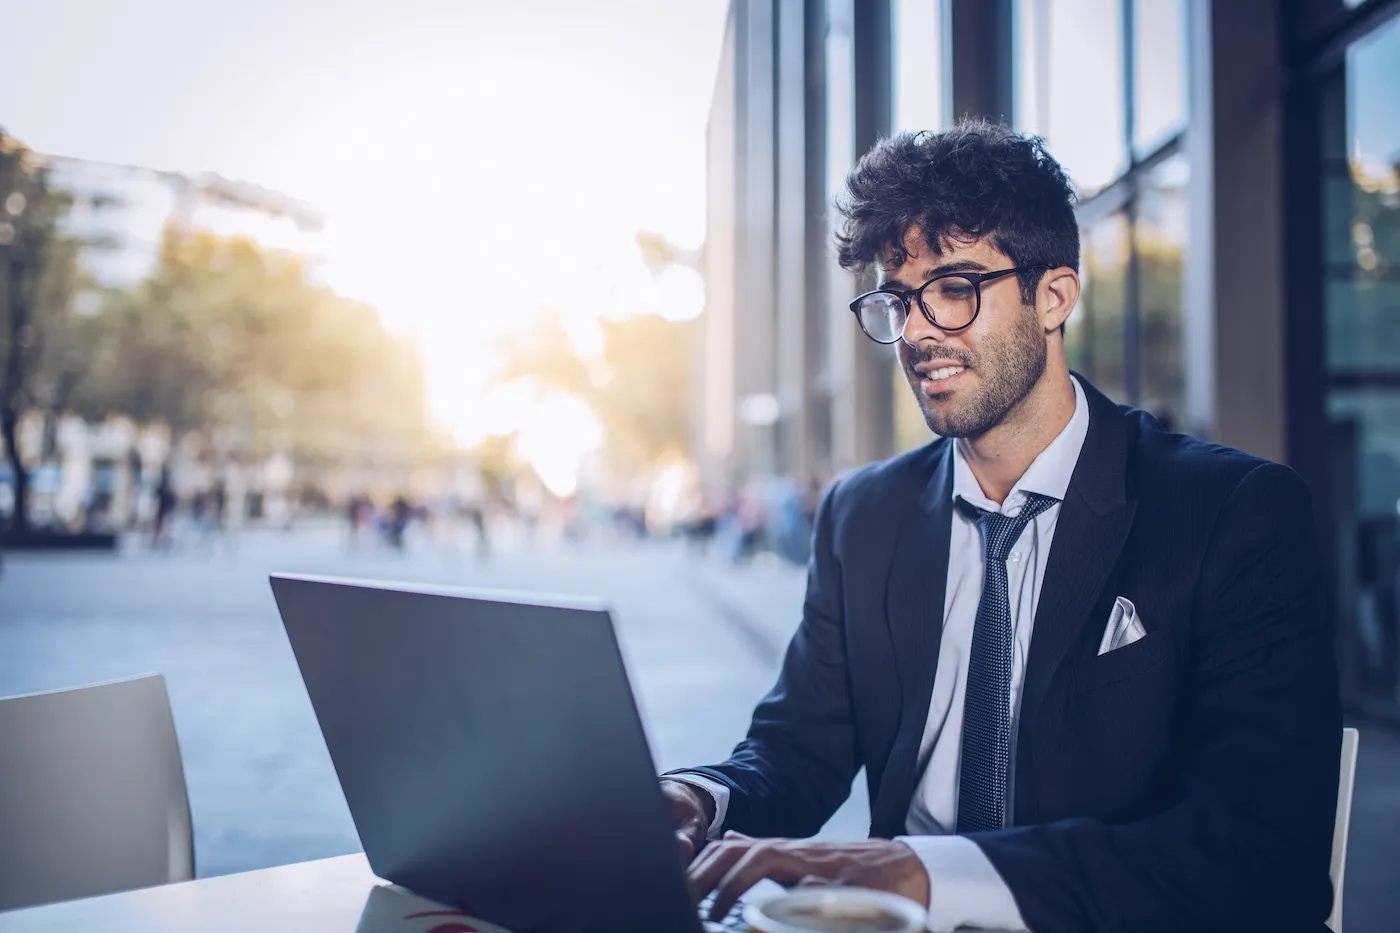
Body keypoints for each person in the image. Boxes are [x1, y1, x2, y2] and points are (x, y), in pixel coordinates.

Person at [665, 121, 1340, 933]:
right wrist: (699, 796)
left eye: (954, 288)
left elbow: (1262, 856)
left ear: (1054, 297)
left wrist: (924, 871)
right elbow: (796, 748)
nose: (917, 332)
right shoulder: (863, 514)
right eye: (899, 298)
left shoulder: (1232, 514)